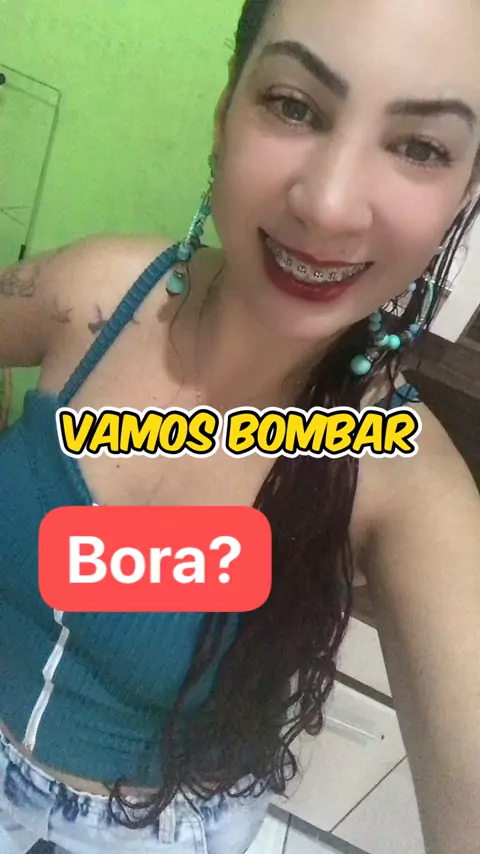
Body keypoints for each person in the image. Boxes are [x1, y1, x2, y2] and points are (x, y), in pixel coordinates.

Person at [1, 0, 480, 852]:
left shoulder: (401, 482)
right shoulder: (92, 293)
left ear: (465, 196)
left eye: (420, 147)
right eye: (294, 105)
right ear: (228, 109)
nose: (329, 205)